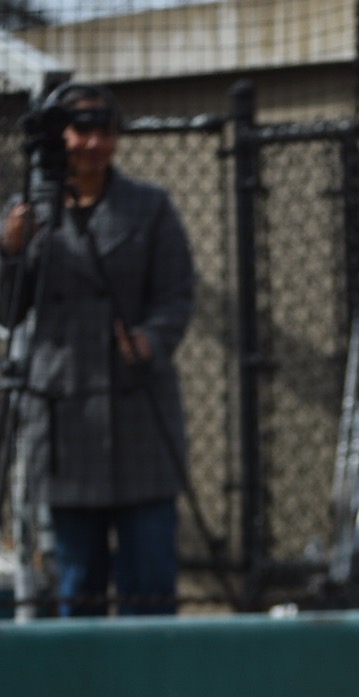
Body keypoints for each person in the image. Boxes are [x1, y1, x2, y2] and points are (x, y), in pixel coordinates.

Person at [0, 82, 196, 617]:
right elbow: (8, 311)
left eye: (105, 131)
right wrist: (10, 252)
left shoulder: (150, 207)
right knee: (77, 579)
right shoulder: (29, 211)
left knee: (150, 579)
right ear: (59, 136)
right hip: (65, 420)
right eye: (81, 130)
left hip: (139, 412)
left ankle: (154, 669)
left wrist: (151, 339)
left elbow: (177, 293)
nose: (93, 143)